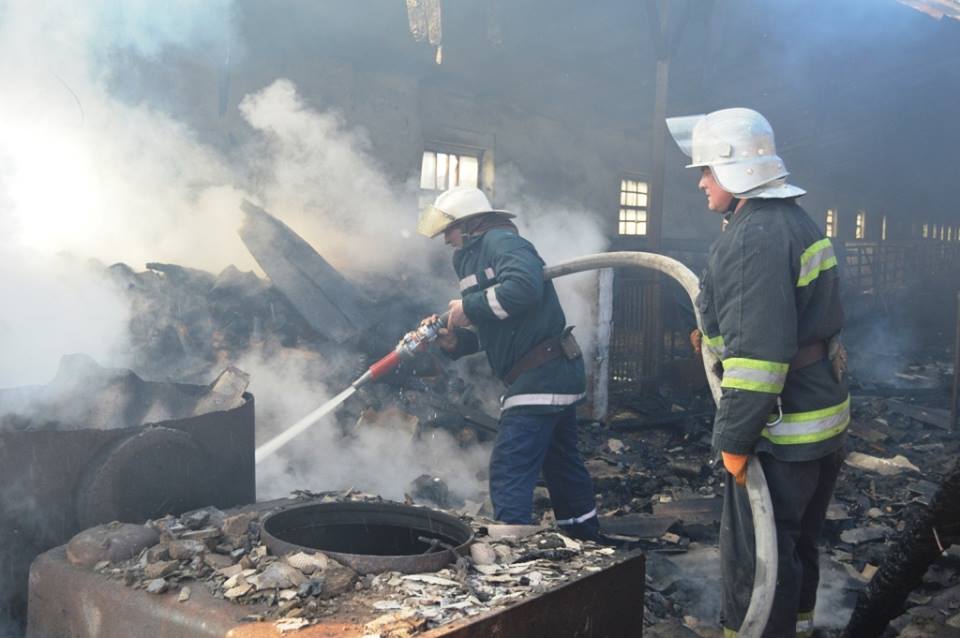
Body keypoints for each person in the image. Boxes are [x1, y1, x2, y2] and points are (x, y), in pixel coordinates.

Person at [666, 108, 849, 638]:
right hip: (820, 413)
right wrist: (715, 334)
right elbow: (781, 318)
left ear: (736, 170)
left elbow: (761, 359)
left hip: (780, 428)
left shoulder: (755, 237)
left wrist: (734, 439)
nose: (701, 182)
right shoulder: (792, 219)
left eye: (706, 170)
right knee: (795, 545)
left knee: (758, 561)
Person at [417, 185, 609, 544]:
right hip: (548, 371)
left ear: (470, 224)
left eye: (450, 229)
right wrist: (457, 342)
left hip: (542, 372)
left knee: (510, 465)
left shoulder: (502, 243)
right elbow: (499, 328)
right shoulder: (469, 258)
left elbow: (524, 289)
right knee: (561, 462)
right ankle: (585, 537)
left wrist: (467, 307)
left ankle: (511, 548)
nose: (446, 239)